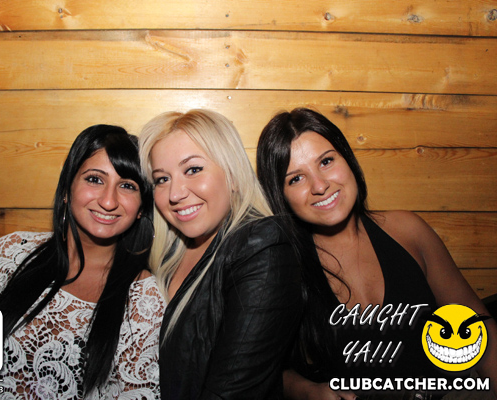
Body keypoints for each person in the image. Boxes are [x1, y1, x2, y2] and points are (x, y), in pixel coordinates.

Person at [256, 108, 497, 399]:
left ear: (347, 159)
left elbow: (477, 326)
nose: (320, 186)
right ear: (280, 195)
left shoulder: (408, 231)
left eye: (327, 161)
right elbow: (264, 370)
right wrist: (307, 391)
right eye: (296, 179)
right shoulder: (283, 269)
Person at [0, 125, 166, 399]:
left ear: (141, 207)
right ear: (67, 188)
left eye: (127, 186)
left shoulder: (146, 301)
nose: (108, 201)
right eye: (95, 179)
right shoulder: (10, 252)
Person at [138, 109, 303, 399]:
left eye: (193, 170)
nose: (174, 194)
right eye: (162, 179)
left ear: (233, 176)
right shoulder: (164, 254)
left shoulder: (263, 246)